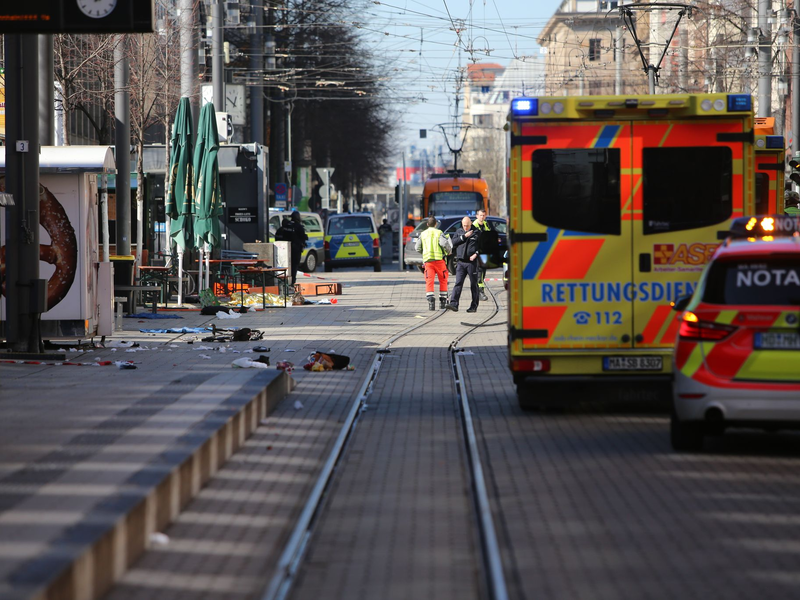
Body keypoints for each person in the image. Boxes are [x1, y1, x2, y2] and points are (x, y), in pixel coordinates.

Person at [446, 215, 481, 313]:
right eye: (464, 225)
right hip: (461, 262)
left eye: (467, 225)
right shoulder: (459, 231)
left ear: (471, 224)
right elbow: (453, 243)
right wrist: (464, 236)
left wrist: (476, 254)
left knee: (474, 285)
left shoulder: (477, 233)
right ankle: (454, 304)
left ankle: (473, 306)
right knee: (458, 283)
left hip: (472, 263)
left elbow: (482, 247)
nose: (465, 227)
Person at [414, 216, 450, 311]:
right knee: (443, 280)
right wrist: (448, 251)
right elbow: (444, 244)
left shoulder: (423, 234)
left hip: (428, 262)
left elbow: (417, 248)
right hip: (439, 261)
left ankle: (431, 301)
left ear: (427, 224)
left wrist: (424, 252)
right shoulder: (439, 233)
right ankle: (442, 301)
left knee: (429, 281)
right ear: (435, 224)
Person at [275, 211, 308, 286]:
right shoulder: (298, 226)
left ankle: (283, 282)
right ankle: (292, 282)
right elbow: (303, 237)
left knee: (283, 266)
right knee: (294, 266)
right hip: (295, 249)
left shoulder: (284, 228)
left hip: (283, 250)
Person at [472, 209, 493, 302]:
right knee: (479, 273)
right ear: (477, 216)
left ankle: (478, 291)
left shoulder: (486, 224)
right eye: (480, 215)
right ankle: (480, 292)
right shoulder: (473, 226)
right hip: (476, 253)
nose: (482, 217)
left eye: (484, 215)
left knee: (483, 273)